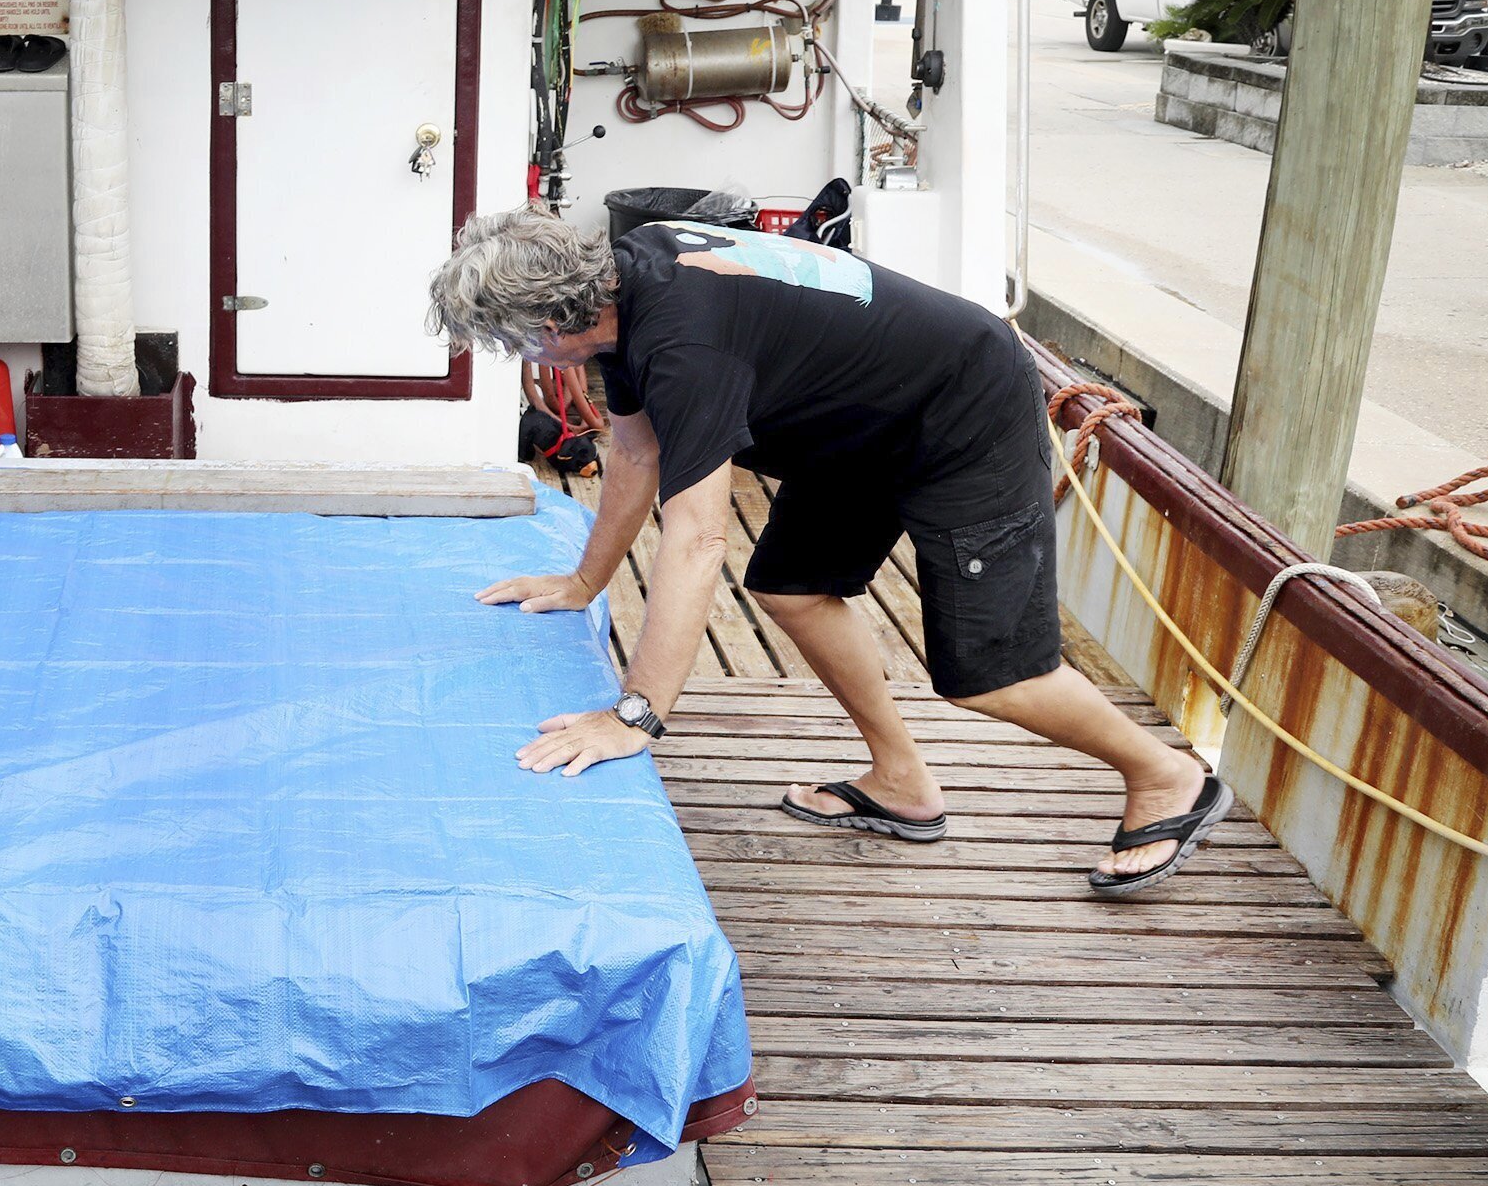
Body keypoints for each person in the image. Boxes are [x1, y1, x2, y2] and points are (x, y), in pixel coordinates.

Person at [428, 208, 1230, 895]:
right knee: (792, 586)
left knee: (994, 673)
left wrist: (635, 716)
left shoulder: (684, 347)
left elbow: (700, 536)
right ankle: (902, 783)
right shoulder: (625, 283)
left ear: (548, 326)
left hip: (962, 411)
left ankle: (1166, 776)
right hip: (863, 420)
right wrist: (583, 579)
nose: (521, 363)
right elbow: (637, 454)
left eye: (513, 346)